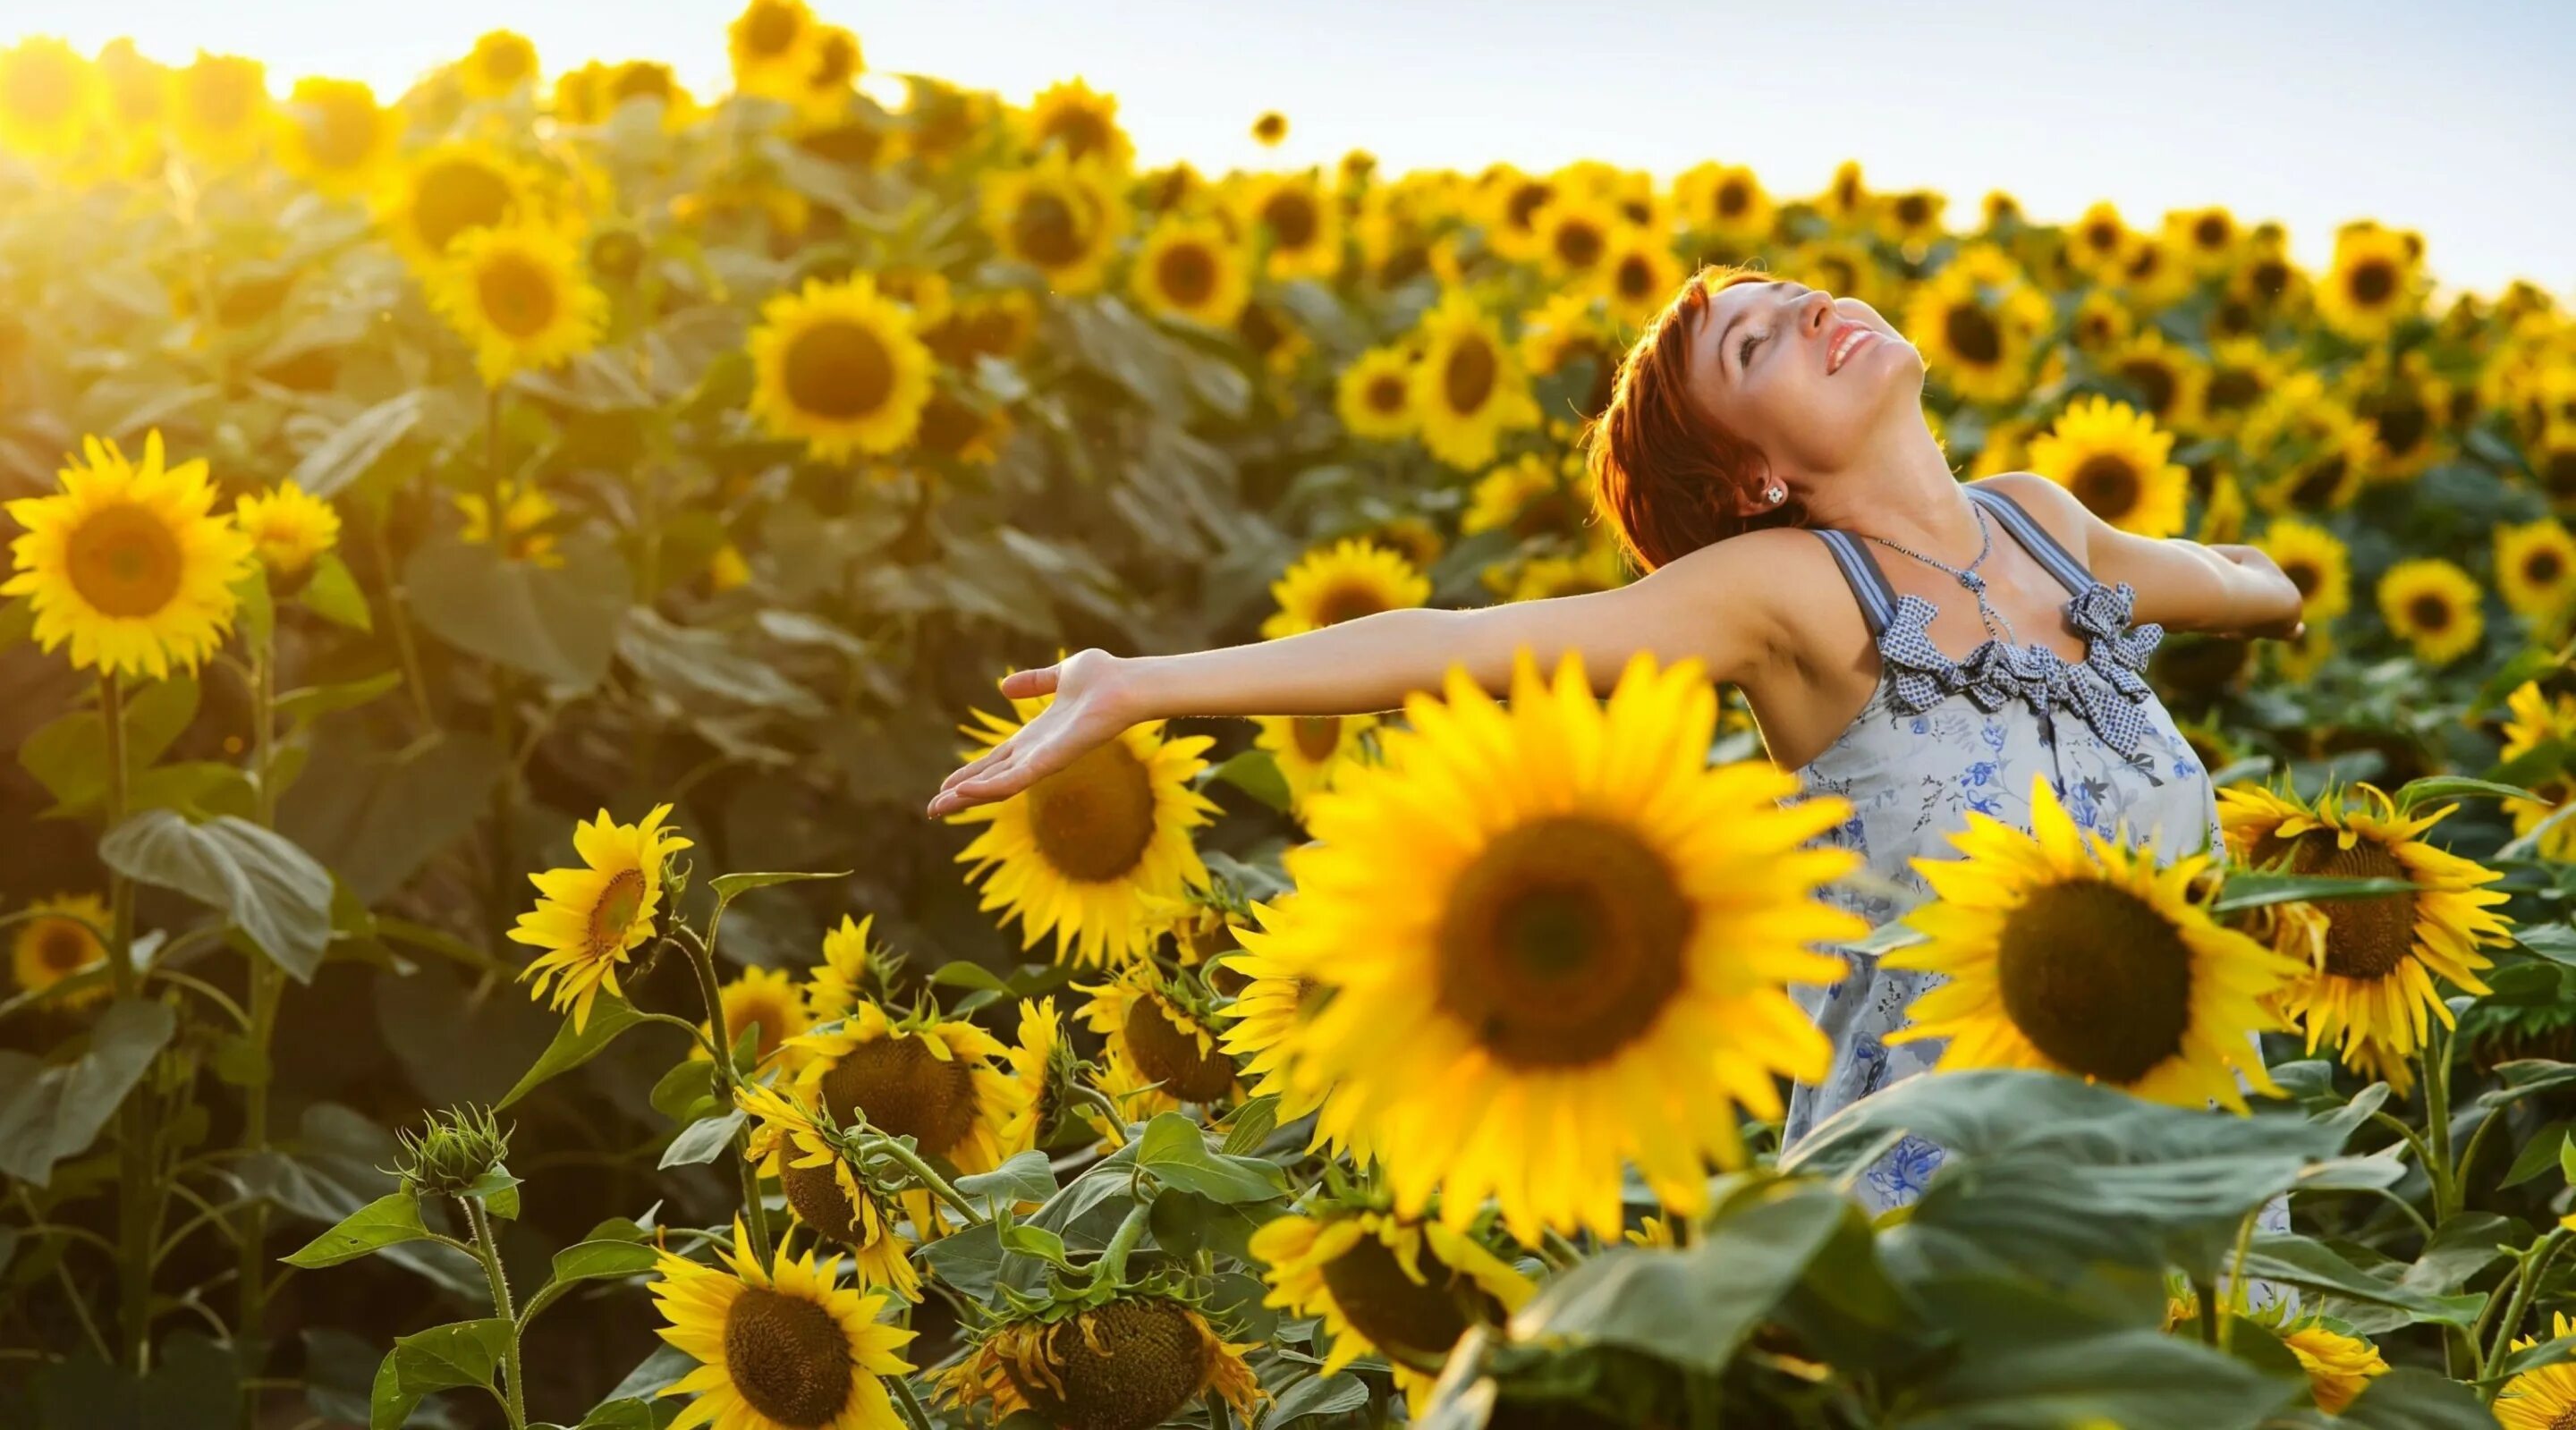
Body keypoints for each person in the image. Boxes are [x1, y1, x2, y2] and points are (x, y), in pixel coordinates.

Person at [921, 264, 2307, 1206]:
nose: (1813, 309)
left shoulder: (2047, 528)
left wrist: (2269, 591)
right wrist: (1147, 682)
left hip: (2184, 1164)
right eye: (1756, 342)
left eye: (1796, 293)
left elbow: (2244, 579)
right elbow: (1460, 648)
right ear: (1757, 474)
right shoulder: (1794, 596)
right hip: (1946, 1220)